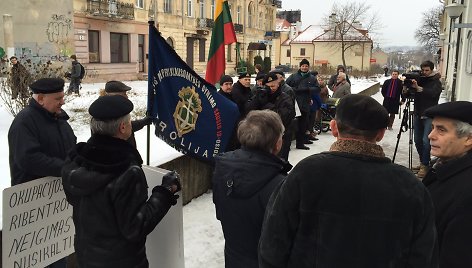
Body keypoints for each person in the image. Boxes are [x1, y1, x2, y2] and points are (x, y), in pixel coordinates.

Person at [259, 94, 437, 268]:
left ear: (334, 127)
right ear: (381, 134)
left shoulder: (306, 173)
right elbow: (423, 255)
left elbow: (274, 242)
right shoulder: (410, 185)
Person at [61, 95, 182, 268]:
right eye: (130, 121)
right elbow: (136, 227)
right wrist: (164, 192)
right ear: (123, 127)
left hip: (87, 258)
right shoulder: (126, 171)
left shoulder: (77, 161)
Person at [8, 77, 76, 268]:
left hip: (57, 203)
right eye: (58, 98)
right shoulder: (24, 122)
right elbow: (28, 158)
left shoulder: (59, 119)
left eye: (62, 97)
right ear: (40, 99)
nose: (62, 102)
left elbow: (71, 147)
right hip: (32, 206)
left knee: (58, 255)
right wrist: (66, 169)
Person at [212, 109, 292, 268]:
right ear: (277, 144)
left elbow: (221, 213)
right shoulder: (281, 185)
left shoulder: (222, 170)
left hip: (234, 257)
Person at [422, 101, 472, 268]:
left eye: (441, 130)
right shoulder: (443, 167)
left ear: (469, 139)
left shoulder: (466, 193)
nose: (431, 135)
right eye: (433, 127)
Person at [247, 72, 295, 161]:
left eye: (273, 86)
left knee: (279, 162)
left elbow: (282, 118)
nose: (271, 89)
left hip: (280, 136)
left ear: (278, 84)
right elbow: (249, 112)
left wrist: (266, 104)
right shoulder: (262, 95)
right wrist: (257, 99)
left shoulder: (285, 98)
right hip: (262, 135)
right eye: (268, 87)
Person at [409, 60, 443, 178]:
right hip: (418, 112)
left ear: (432, 70)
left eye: (427, 70)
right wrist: (409, 88)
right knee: (417, 140)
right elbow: (413, 94)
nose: (424, 72)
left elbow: (433, 94)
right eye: (423, 70)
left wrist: (420, 88)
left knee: (426, 140)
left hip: (429, 114)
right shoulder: (420, 79)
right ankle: (423, 162)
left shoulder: (436, 81)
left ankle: (425, 164)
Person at [101, 80, 153, 148]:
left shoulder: (116, 109)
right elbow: (121, 129)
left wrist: (143, 122)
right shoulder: (104, 112)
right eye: (124, 94)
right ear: (114, 96)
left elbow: (125, 126)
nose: (127, 97)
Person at [286, 59, 320, 150]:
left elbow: (317, 89)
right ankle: (287, 144)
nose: (304, 67)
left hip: (305, 104)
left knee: (303, 125)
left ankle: (300, 143)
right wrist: (294, 90)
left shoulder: (312, 78)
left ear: (308, 67)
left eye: (306, 66)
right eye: (303, 66)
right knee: (291, 125)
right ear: (300, 67)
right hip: (294, 104)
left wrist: (307, 89)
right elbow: (286, 86)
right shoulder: (293, 76)